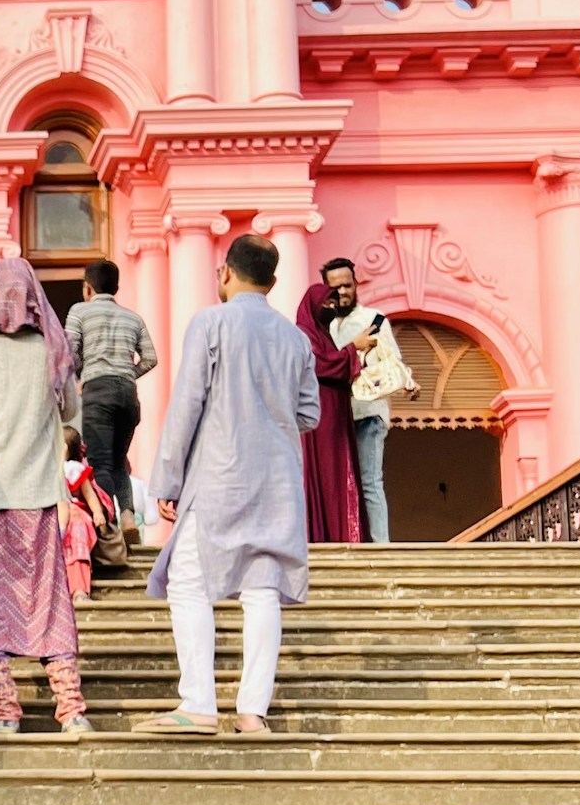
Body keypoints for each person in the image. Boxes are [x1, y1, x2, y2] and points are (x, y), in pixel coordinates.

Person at [135, 234, 320, 737]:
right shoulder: (296, 338)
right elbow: (309, 413)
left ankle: (198, 702)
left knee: (188, 582)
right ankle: (251, 711)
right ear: (273, 282)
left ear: (224, 272)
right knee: (262, 591)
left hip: (218, 474)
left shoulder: (211, 322)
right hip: (277, 480)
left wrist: (167, 478)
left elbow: (187, 402)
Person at [0, 258, 91, 735]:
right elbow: (71, 410)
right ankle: (70, 709)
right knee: (48, 600)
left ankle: (5, 713)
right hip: (37, 495)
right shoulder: (50, 350)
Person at [324, 258, 418, 544]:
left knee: (370, 482)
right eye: (336, 287)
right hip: (336, 415)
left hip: (369, 412)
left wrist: (408, 380)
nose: (342, 291)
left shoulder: (373, 319)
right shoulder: (324, 326)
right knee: (338, 484)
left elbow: (392, 360)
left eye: (347, 285)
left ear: (355, 285)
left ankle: (380, 546)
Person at [64, 258, 156, 541]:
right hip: (128, 395)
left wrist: (81, 377)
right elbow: (150, 359)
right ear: (116, 287)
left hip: (97, 391)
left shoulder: (79, 312)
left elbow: (68, 351)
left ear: (87, 288)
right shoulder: (133, 317)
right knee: (118, 461)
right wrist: (127, 373)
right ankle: (128, 516)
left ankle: (110, 528)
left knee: (100, 462)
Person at [297, 281, 375, 544]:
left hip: (336, 416)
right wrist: (354, 348)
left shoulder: (326, 337)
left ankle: (342, 534)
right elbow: (320, 365)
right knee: (326, 476)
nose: (331, 306)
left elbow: (336, 364)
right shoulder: (303, 335)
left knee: (340, 476)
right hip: (319, 420)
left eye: (334, 302)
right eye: (326, 302)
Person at [60, 426, 112, 600]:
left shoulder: (74, 469)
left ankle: (80, 590)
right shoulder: (47, 468)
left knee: (77, 548)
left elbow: (89, 494)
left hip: (76, 518)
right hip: (56, 516)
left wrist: (98, 513)